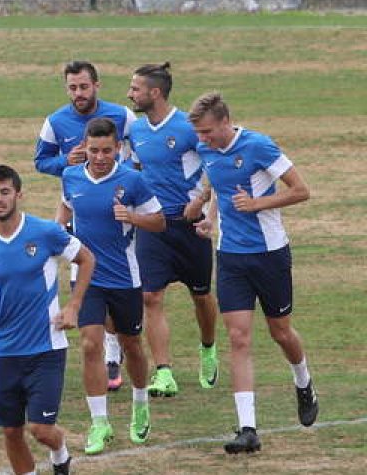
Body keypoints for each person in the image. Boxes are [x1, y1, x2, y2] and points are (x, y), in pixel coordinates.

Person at [188, 92, 317, 454]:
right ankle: (248, 429)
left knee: (281, 332)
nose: (203, 139)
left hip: (270, 256)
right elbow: (218, 186)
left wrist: (258, 203)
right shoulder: (208, 151)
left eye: (208, 131)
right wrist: (210, 219)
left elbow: (301, 190)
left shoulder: (259, 146)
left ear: (226, 121)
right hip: (230, 258)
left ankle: (303, 380)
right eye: (198, 133)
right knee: (239, 338)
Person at [0, 165, 94, 475]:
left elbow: (86, 259)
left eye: (5, 192)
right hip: (4, 350)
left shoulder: (45, 232)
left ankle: (60, 453)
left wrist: (73, 306)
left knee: (41, 430)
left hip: (46, 348)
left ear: (18, 194)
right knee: (10, 431)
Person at [56, 118, 164, 455]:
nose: (100, 157)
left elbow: (159, 221)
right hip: (87, 279)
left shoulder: (132, 181)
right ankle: (99, 423)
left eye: (106, 150)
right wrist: (56, 233)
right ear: (84, 149)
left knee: (132, 345)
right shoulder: (71, 176)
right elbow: (66, 211)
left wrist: (133, 218)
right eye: (94, 150)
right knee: (90, 345)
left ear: (118, 148)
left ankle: (141, 402)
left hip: (124, 278)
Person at [35, 60, 137, 391]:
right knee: (90, 285)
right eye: (72, 88)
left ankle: (115, 354)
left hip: (122, 218)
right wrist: (68, 161)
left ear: (97, 85)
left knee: (116, 285)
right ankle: (109, 356)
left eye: (84, 86)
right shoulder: (55, 122)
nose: (78, 93)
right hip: (80, 207)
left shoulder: (123, 116)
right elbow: (40, 161)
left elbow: (140, 154)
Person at [125, 63, 219, 398]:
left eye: (135, 89)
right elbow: (135, 169)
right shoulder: (135, 131)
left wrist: (202, 201)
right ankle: (164, 372)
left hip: (190, 227)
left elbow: (216, 167)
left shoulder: (189, 128)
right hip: (154, 225)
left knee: (201, 295)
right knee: (150, 296)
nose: (129, 94)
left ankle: (208, 348)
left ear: (155, 93)